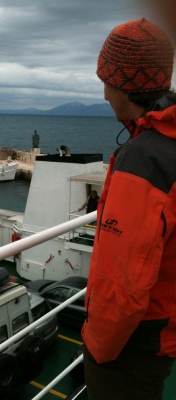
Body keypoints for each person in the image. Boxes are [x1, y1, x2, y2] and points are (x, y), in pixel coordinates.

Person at [81, 18, 176, 400]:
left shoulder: (144, 160)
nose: (103, 94)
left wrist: (98, 349)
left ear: (123, 85)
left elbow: (125, 284)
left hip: (132, 348)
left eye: (106, 81)